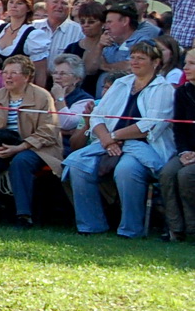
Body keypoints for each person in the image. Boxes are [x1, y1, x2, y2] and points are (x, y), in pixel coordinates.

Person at [64, 41, 175, 238]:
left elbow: (150, 125)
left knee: (126, 170)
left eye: (141, 58)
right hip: (108, 143)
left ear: (156, 62)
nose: (135, 62)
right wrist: (106, 139)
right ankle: (91, 226)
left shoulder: (164, 89)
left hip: (143, 146)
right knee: (78, 165)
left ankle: (130, 229)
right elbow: (97, 115)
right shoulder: (120, 83)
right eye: (133, 57)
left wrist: (114, 136)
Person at [156, 50, 195, 240]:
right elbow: (179, 128)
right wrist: (184, 151)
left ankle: (192, 228)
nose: (185, 68)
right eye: (185, 63)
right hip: (187, 151)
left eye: (192, 64)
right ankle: (175, 229)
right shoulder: (182, 92)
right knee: (167, 173)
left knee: (186, 175)